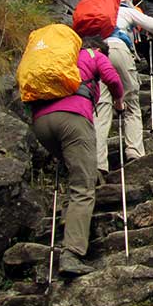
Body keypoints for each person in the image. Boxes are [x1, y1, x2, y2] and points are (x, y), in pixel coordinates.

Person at [30, 36, 125, 276]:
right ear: (99, 49)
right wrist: (119, 100)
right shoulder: (94, 55)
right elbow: (113, 78)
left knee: (75, 172)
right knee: (84, 185)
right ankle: (71, 253)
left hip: (41, 123)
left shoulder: (61, 58)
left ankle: (68, 221)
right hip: (73, 120)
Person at [95, 0, 153, 174]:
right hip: (119, 50)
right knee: (131, 104)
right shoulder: (125, 10)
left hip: (99, 53)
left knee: (101, 108)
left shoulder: (100, 13)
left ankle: (99, 162)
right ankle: (134, 151)